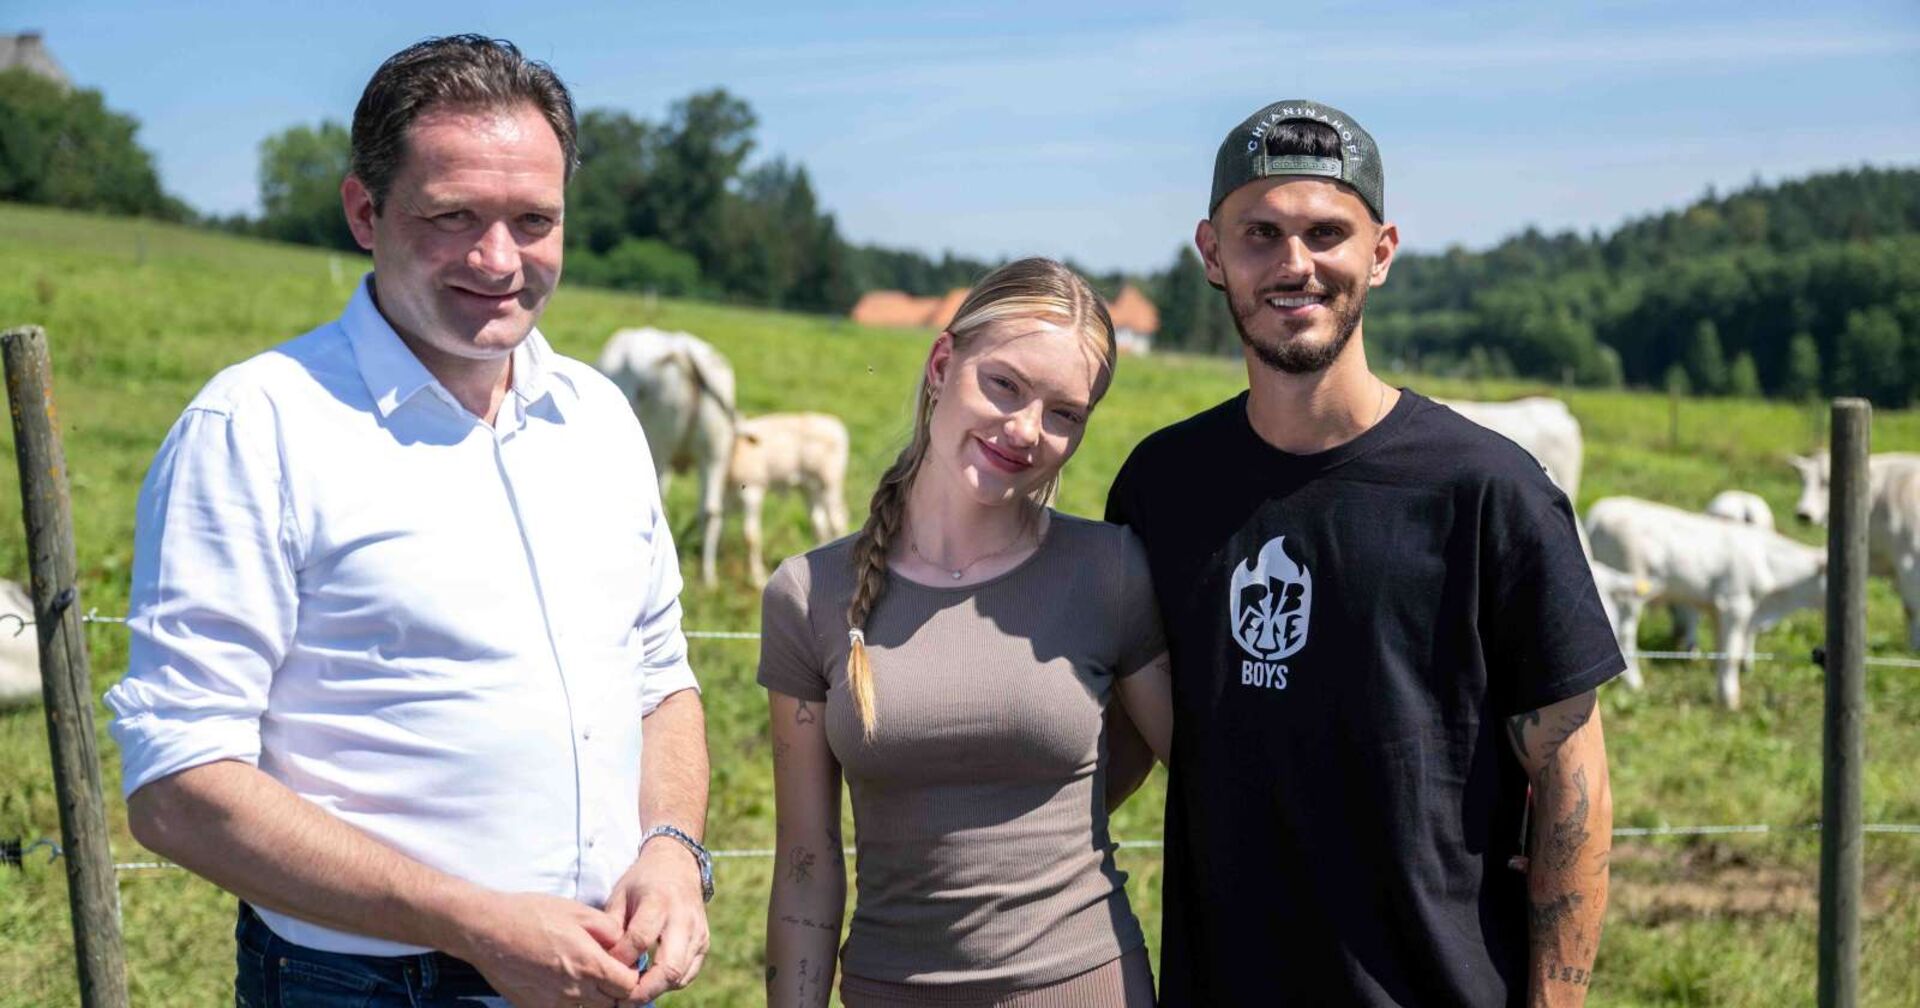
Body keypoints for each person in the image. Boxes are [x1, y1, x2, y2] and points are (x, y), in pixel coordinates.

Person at [105, 36, 711, 1008]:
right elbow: (179, 783)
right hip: (371, 985)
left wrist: (673, 850)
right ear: (363, 211)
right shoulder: (259, 424)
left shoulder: (599, 416)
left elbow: (660, 677)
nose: (499, 259)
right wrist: (472, 921)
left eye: (533, 219)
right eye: (453, 217)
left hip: (598, 973)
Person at [1104, 99, 1620, 1006]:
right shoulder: (1162, 488)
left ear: (1380, 253)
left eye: (1326, 233)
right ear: (1211, 252)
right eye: (1259, 233)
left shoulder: (1488, 492)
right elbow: (1126, 737)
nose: (1294, 264)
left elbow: (1574, 787)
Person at [757, 258, 1174, 1008]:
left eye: (1064, 414)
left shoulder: (1109, 570)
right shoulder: (809, 594)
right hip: (890, 988)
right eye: (1004, 385)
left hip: (1086, 987)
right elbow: (807, 863)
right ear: (943, 363)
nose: (1024, 431)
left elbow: (1211, 776)